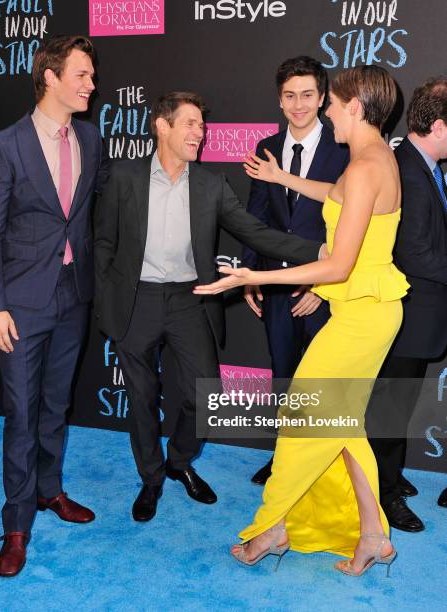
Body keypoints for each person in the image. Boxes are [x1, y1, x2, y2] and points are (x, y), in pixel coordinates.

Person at [194, 66, 409, 576]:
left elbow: (338, 264)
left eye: (332, 103)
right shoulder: (374, 158)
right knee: (341, 422)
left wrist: (251, 275)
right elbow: (334, 197)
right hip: (368, 309)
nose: (326, 111)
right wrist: (281, 178)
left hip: (362, 315)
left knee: (300, 417)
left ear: (354, 106)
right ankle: (373, 536)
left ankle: (272, 527)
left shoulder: (365, 167)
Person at [94, 91, 325, 523]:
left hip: (190, 298)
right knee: (142, 397)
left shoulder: (210, 184)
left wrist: (321, 252)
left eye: (202, 125)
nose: (199, 133)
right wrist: (108, 303)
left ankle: (179, 463)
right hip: (136, 299)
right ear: (162, 126)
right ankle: (151, 478)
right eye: (190, 124)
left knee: (204, 393)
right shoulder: (124, 177)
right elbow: (103, 242)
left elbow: (256, 232)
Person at [0, 35, 109, 577]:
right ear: (50, 77)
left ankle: (50, 491)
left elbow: (81, 220)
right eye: (81, 75)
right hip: (21, 303)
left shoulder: (92, 139)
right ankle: (16, 521)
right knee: (21, 412)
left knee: (56, 404)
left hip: (74, 295)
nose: (91, 85)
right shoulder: (6, 144)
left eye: (92, 75)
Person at [242, 57, 349, 486]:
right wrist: (251, 272)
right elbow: (256, 217)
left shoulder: (343, 149)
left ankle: (322, 466)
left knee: (326, 382)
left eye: (307, 95)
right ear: (279, 99)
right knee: (283, 375)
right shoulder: (265, 148)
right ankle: (284, 457)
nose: (298, 104)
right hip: (276, 286)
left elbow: (351, 227)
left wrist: (323, 285)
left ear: (322, 98)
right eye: (290, 95)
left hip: (325, 287)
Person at [366, 78, 447, 528]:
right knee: (390, 410)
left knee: (395, 406)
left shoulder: (422, 166)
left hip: (418, 313)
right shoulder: (407, 172)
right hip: (405, 314)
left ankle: (389, 476)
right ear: (438, 126)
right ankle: (384, 494)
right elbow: (413, 252)